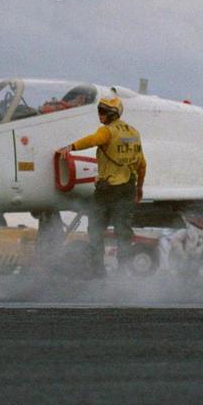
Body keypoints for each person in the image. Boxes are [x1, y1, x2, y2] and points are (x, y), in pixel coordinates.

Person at [59, 95, 145, 278]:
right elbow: (142, 164)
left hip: (107, 190)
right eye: (99, 110)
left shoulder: (107, 131)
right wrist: (139, 188)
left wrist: (71, 147)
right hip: (128, 188)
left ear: (112, 114)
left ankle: (98, 271)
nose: (100, 114)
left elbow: (93, 140)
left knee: (95, 230)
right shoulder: (134, 133)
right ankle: (123, 272)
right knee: (123, 232)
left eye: (103, 111)